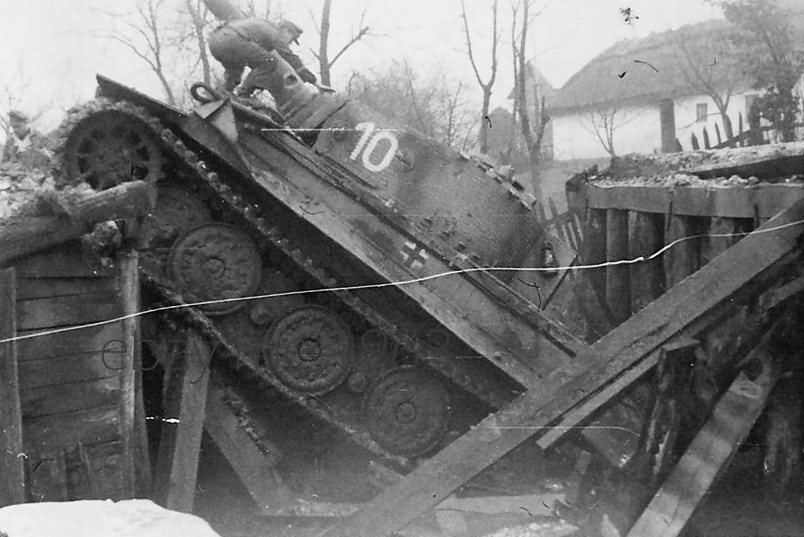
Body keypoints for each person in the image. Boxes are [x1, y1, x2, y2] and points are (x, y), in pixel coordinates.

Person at [208, 18, 318, 98]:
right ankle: (243, 95)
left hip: (215, 42)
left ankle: (219, 96)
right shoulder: (274, 31)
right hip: (231, 39)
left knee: (235, 72)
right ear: (286, 31)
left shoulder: (262, 26)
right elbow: (288, 55)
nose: (289, 43)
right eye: (291, 39)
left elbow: (255, 56)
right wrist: (314, 81)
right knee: (269, 62)